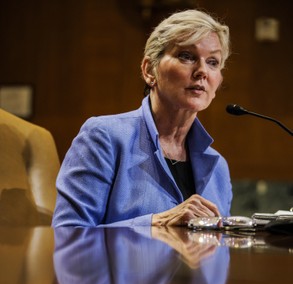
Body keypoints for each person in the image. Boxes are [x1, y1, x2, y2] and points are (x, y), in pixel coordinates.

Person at [52, 9, 232, 228]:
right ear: (149, 70)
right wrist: (156, 223)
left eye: (213, 62)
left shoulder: (218, 168)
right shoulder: (104, 137)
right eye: (187, 56)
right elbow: (68, 234)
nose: (202, 71)